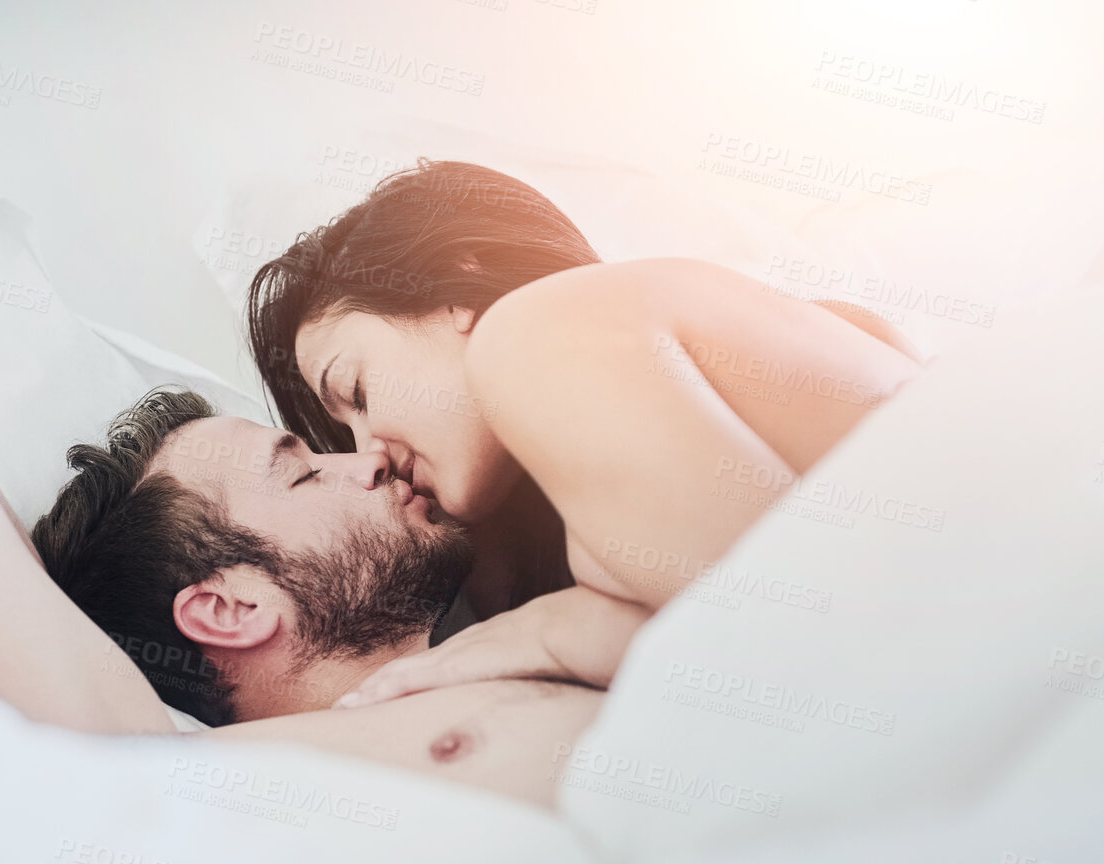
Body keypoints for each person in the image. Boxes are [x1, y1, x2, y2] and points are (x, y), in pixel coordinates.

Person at [245, 160, 923, 708]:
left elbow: (813, 657)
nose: (369, 454)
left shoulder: (538, 331)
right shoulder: (743, 340)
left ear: (463, 283)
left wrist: (560, 634)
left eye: (357, 392)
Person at [0, 399, 645, 808]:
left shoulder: (536, 634)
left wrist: (559, 628)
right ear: (227, 610)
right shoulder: (157, 780)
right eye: (305, 471)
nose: (367, 463)